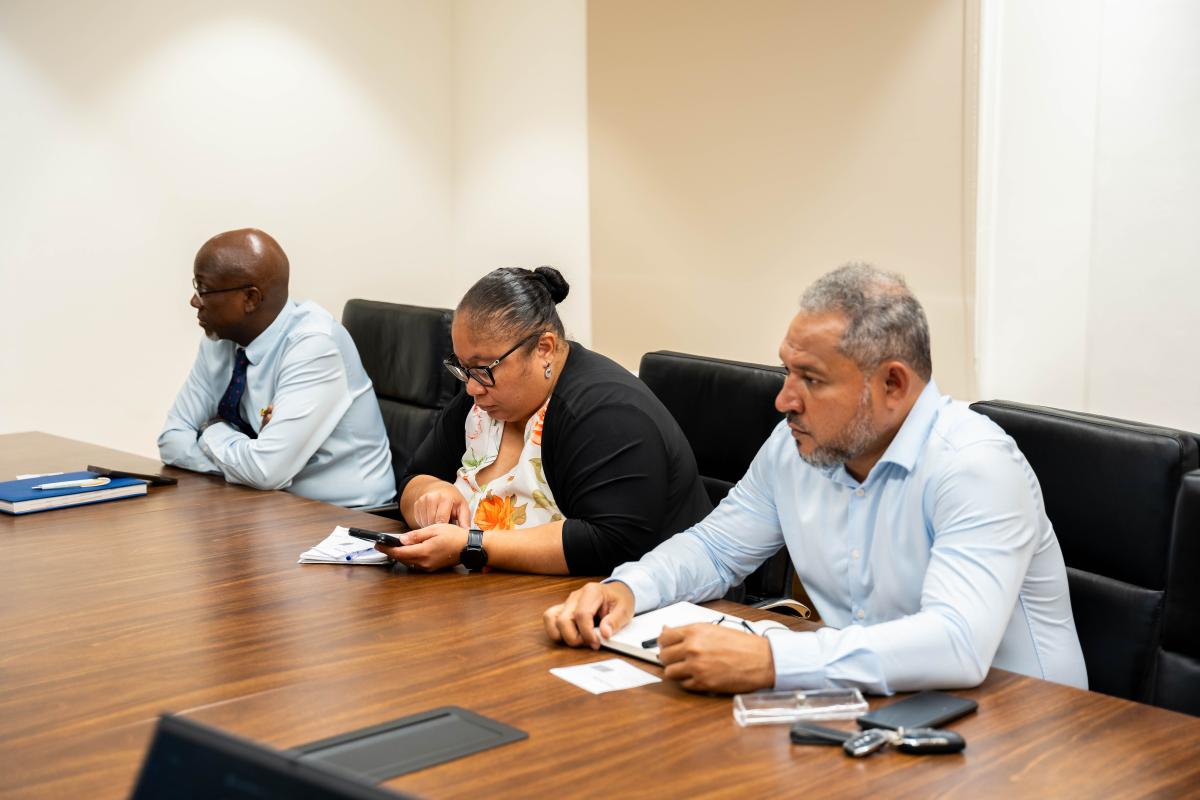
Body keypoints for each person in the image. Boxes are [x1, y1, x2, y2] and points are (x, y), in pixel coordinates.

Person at [543, 263, 1088, 695]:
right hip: (882, 706)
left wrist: (773, 660)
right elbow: (714, 551)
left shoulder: (975, 466)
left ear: (892, 384)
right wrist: (626, 588)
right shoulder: (798, 445)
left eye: (811, 378)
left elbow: (956, 643)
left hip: (1021, 734)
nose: (784, 399)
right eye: (787, 370)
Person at [375, 266, 711, 575]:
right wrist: (432, 493)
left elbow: (610, 543)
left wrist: (472, 546)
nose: (472, 386)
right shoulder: (483, 400)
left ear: (544, 349)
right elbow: (414, 478)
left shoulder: (605, 414)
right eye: (462, 367)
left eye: (484, 368)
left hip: (638, 608)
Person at [158, 228, 395, 508]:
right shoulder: (219, 339)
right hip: (265, 503)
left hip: (348, 518)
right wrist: (243, 467)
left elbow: (265, 470)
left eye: (204, 290)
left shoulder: (314, 345)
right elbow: (171, 440)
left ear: (250, 298)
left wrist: (211, 428)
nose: (194, 301)